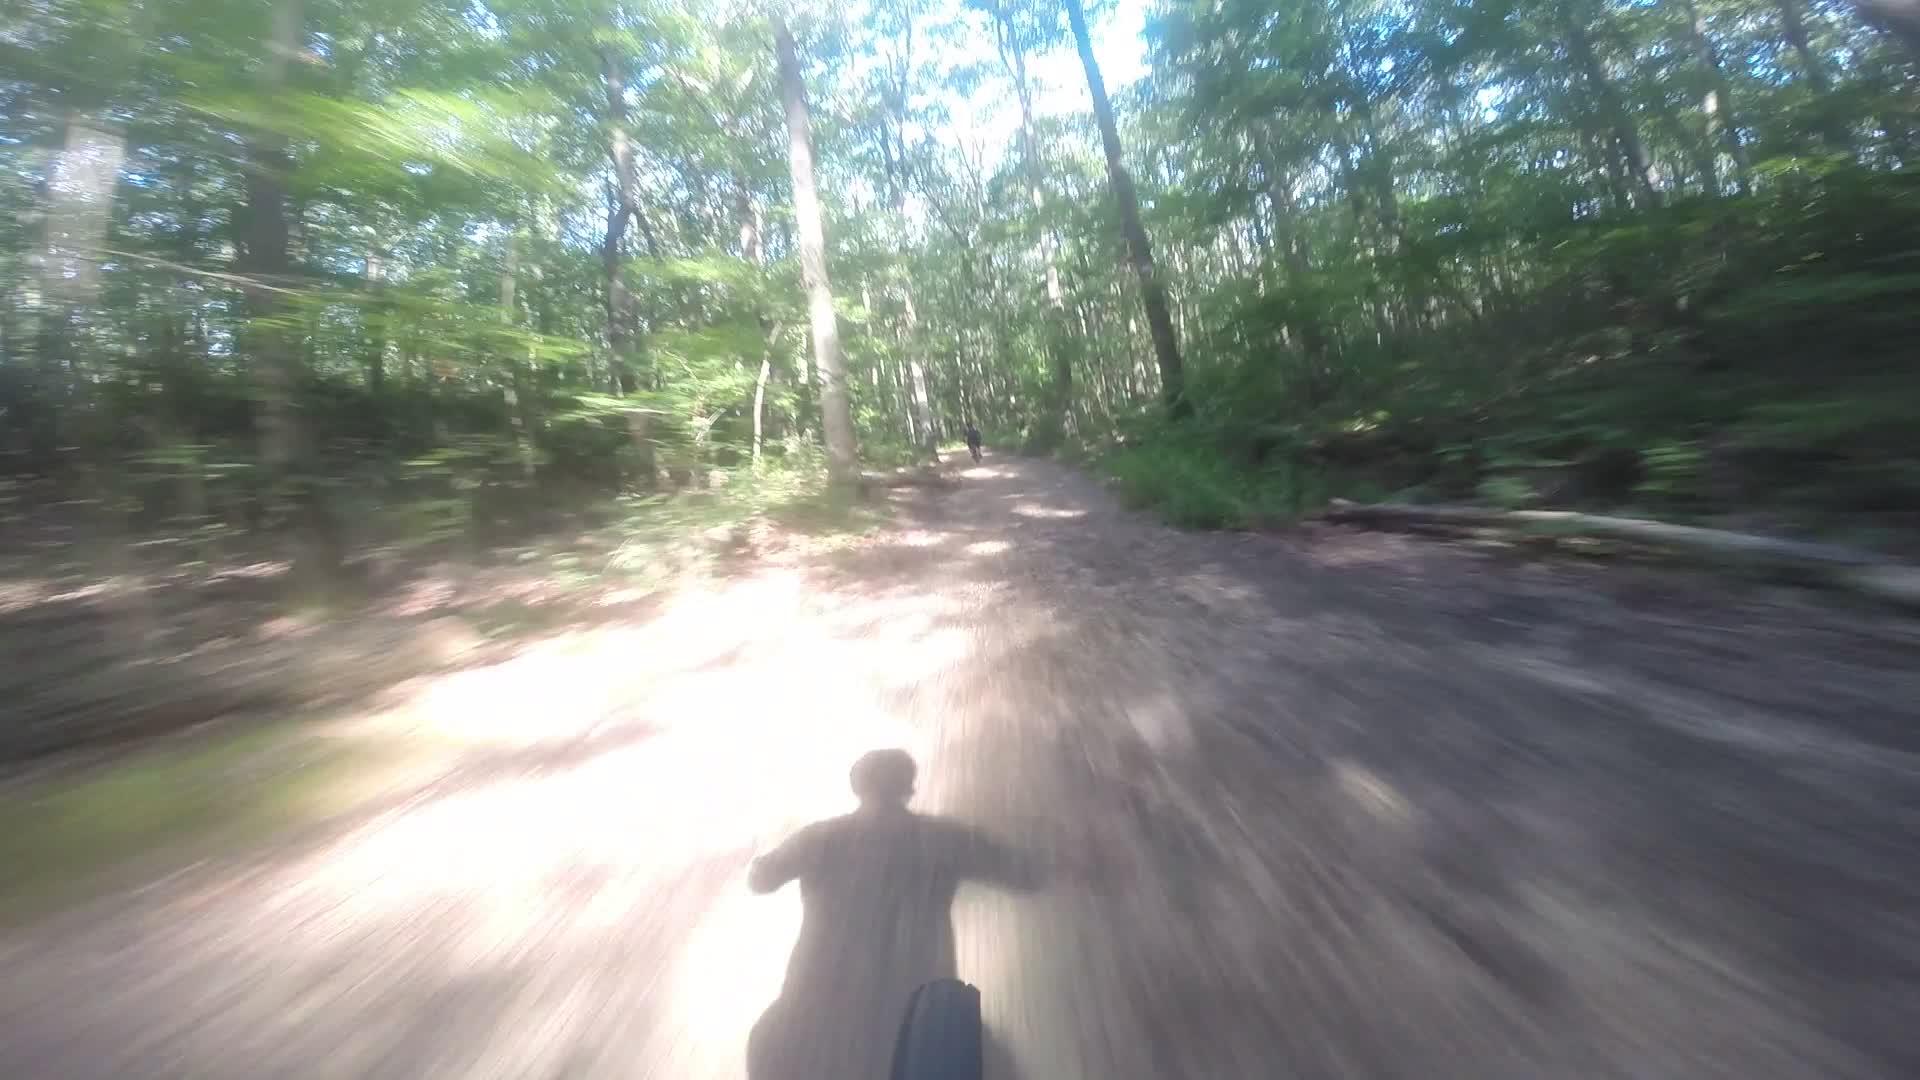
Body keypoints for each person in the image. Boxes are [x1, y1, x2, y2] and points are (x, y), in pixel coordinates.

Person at [745, 750, 1037, 1080]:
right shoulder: (944, 838)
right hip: (917, 1011)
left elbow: (760, 880)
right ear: (908, 786)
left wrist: (756, 855)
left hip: (816, 1001)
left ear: (857, 785)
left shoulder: (819, 838)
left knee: (767, 1042)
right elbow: (1026, 875)